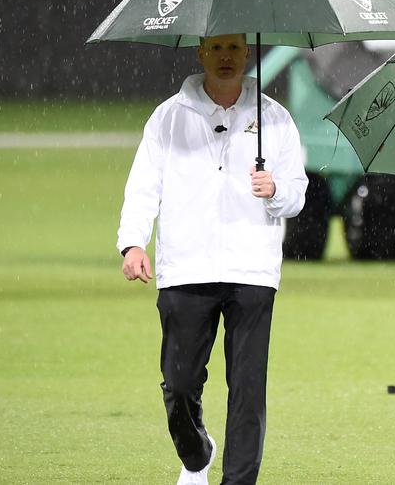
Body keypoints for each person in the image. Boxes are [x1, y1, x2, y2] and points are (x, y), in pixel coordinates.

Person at [118, 32, 307, 485]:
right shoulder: (168, 117)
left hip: (252, 269)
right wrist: (133, 243)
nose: (226, 58)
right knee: (179, 384)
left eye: (235, 49)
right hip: (186, 266)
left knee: (246, 389)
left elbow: (297, 192)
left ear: (248, 53)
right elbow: (144, 184)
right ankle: (197, 452)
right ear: (201, 52)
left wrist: (275, 189)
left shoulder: (276, 119)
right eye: (217, 48)